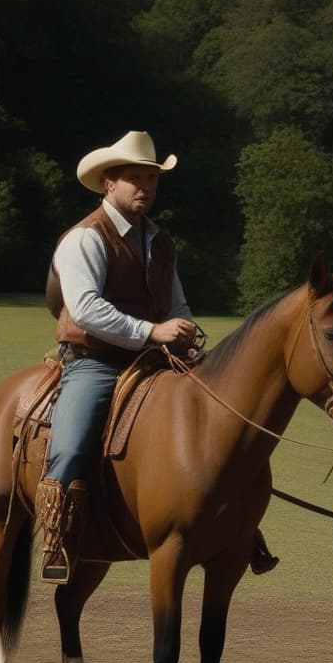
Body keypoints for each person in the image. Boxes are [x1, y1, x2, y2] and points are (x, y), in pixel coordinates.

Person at [37, 130, 278, 582]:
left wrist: (182, 332)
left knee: (224, 421)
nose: (145, 187)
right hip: (96, 360)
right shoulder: (84, 239)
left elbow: (177, 306)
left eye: (151, 179)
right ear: (109, 183)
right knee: (69, 446)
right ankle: (59, 537)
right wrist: (152, 332)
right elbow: (86, 310)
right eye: (134, 179)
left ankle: (240, 528)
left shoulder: (159, 241)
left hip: (156, 358)